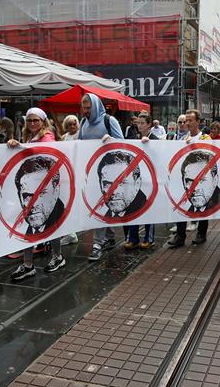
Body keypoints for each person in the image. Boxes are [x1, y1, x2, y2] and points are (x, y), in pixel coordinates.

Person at [7, 108, 66, 276]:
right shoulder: (28, 137)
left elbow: (46, 152)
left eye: (36, 120)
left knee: (52, 224)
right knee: (30, 225)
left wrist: (22, 148)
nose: (32, 123)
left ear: (43, 121)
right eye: (30, 120)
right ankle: (28, 264)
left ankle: (57, 257)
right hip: (30, 189)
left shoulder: (47, 136)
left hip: (46, 190)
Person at [79, 94, 123, 261]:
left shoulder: (109, 121)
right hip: (90, 173)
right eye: (84, 108)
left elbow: (123, 143)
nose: (86, 111)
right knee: (101, 205)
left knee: (101, 206)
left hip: (109, 173)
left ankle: (97, 244)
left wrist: (111, 139)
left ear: (96, 106)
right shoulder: (83, 123)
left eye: (88, 108)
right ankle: (109, 236)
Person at [168, 109, 214, 248]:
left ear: (198, 122)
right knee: (181, 205)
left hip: (201, 178)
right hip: (186, 178)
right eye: (185, 120)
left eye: (190, 120)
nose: (187, 123)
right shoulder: (182, 139)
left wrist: (193, 146)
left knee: (202, 205)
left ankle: (201, 233)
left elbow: (209, 154)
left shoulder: (205, 138)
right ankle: (180, 236)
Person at [126, 113, 157, 250]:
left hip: (150, 180)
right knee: (134, 209)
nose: (139, 126)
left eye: (142, 123)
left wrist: (150, 144)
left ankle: (148, 238)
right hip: (136, 180)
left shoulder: (155, 139)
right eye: (138, 123)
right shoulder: (134, 138)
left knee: (149, 209)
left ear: (149, 124)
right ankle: (133, 238)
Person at [58, 114, 80, 247]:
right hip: (66, 174)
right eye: (69, 124)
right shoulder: (64, 138)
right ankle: (70, 233)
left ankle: (72, 233)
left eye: (74, 123)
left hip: (78, 173)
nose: (72, 126)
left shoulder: (81, 135)